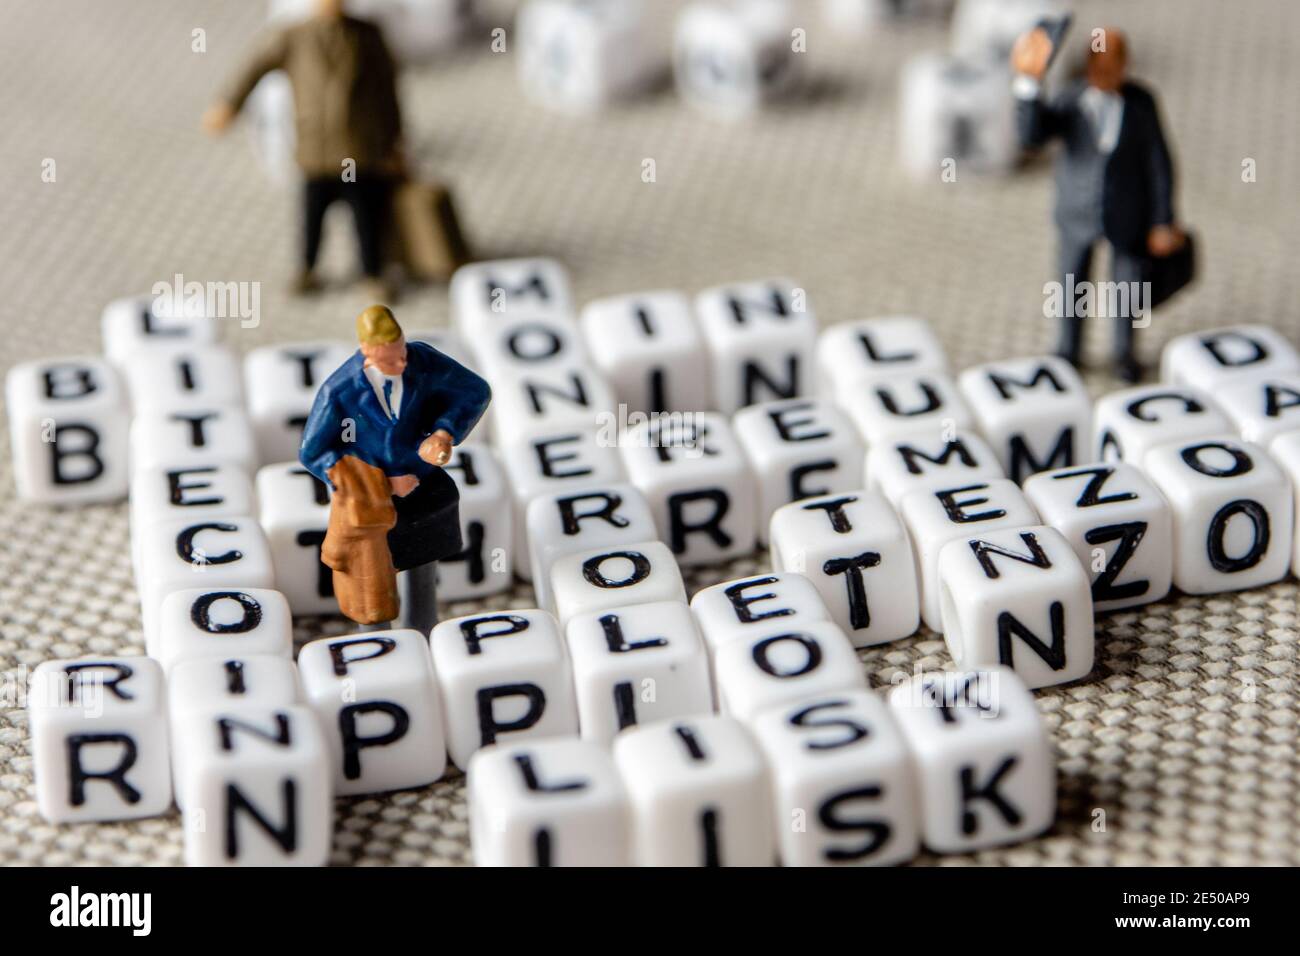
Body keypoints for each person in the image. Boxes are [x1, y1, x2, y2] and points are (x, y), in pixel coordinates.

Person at [1011, 26, 1186, 382]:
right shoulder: (1069, 99)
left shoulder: (1141, 103)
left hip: (1128, 215)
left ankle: (1124, 354)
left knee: (1127, 289)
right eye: (1099, 64)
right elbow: (1032, 136)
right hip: (1076, 215)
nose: (1105, 73)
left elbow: (1159, 163)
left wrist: (1163, 220)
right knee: (1071, 286)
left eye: (1113, 64)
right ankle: (1068, 350)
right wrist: (1028, 83)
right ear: (1087, 65)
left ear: (1126, 64)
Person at [300, 305, 491, 631]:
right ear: (366, 353)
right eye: (390, 360)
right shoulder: (339, 393)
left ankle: (425, 631)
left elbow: (475, 391)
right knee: (372, 584)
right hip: (372, 505)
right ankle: (380, 647)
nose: (401, 364)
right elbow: (314, 453)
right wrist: (379, 482)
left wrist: (444, 432)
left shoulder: (421, 359)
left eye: (401, 353)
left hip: (425, 488)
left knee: (423, 570)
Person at [202, 0, 403, 298]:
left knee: (367, 216)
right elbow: (254, 67)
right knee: (312, 215)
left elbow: (387, 89)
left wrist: (394, 140)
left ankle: (371, 272)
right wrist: (229, 104)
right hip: (317, 146)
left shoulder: (367, 34)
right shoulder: (292, 36)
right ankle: (307, 269)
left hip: (359, 148)